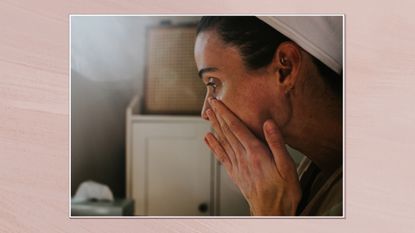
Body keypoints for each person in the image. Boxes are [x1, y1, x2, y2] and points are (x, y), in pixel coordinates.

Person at [194, 16, 343, 216]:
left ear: (285, 68)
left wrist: (271, 214)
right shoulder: (316, 172)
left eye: (214, 82)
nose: (206, 112)